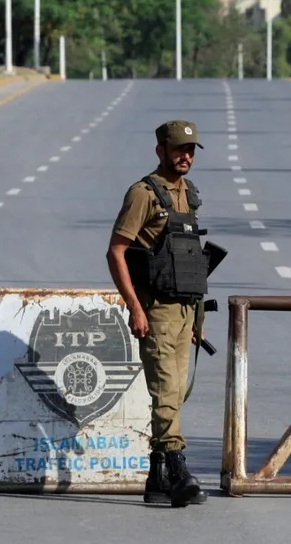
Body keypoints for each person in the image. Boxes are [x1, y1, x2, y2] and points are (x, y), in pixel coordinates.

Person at [106, 120, 210, 508]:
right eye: (178, 149)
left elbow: (190, 259)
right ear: (160, 151)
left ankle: (157, 476)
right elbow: (116, 251)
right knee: (166, 392)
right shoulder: (143, 194)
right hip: (157, 310)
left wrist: (199, 320)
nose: (185, 156)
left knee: (175, 394)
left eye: (191, 150)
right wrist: (134, 306)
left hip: (185, 310)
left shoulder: (190, 194)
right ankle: (178, 469)